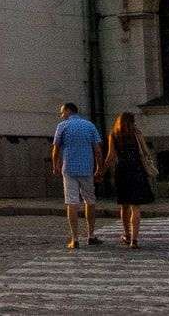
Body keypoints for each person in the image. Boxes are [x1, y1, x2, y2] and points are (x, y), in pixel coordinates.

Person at [49, 101, 103, 249]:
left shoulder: (62, 126)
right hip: (87, 168)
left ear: (68, 111)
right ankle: (91, 235)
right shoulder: (89, 125)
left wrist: (55, 165)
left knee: (72, 203)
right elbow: (97, 149)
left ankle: (75, 239)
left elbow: (56, 148)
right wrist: (100, 167)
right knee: (90, 201)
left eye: (62, 112)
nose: (61, 115)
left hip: (69, 169)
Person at [101, 109, 157, 248]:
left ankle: (127, 235)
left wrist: (101, 171)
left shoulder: (114, 135)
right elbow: (145, 151)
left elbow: (111, 157)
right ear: (132, 122)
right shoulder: (136, 134)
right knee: (136, 207)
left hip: (122, 171)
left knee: (124, 206)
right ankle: (135, 240)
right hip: (137, 170)